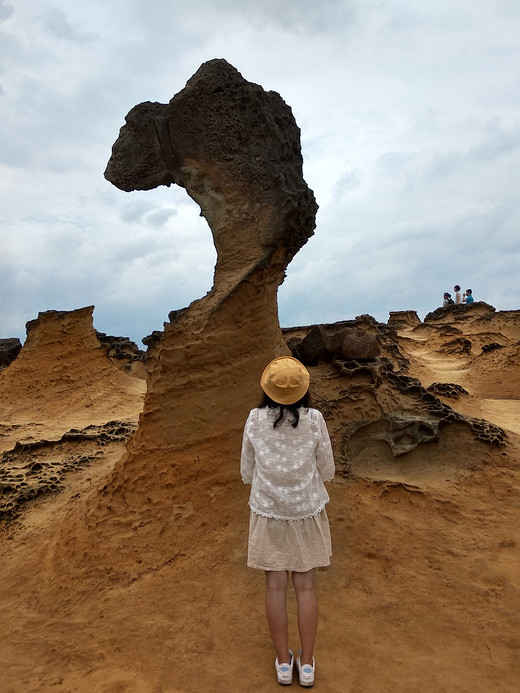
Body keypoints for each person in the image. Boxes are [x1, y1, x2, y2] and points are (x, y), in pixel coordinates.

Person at [240, 356, 335, 687]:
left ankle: (284, 663)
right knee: (306, 586)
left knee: (275, 587)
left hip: (268, 512)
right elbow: (328, 469)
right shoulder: (316, 420)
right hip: (306, 512)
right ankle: (306, 666)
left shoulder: (254, 419)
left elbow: (245, 471)